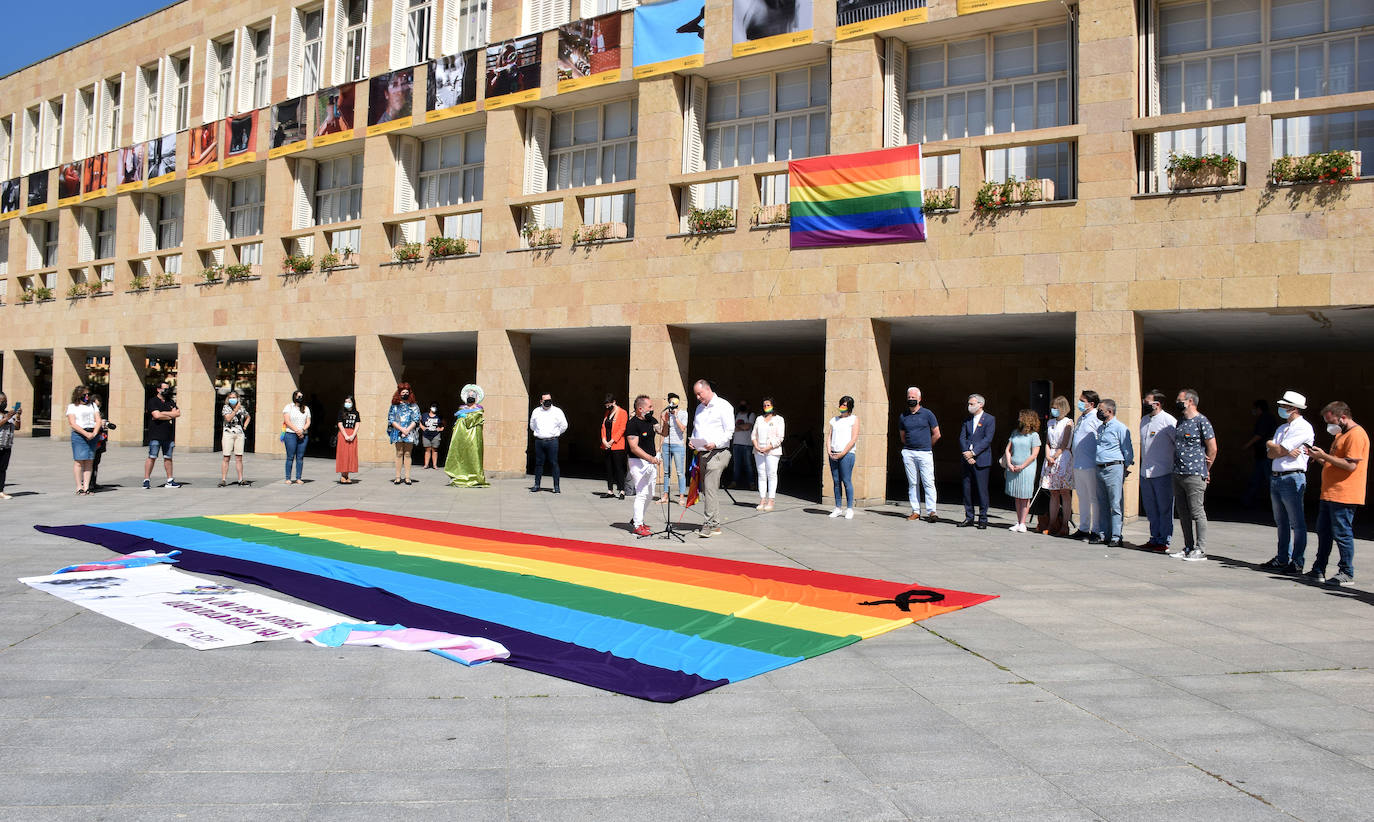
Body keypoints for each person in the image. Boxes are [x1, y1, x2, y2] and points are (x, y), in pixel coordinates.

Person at [1305, 402, 1368, 586]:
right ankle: (1319, 568)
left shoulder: (1356, 435)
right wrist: (1319, 458)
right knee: (1324, 533)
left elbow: (1350, 465)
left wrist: (1324, 456)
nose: (1328, 425)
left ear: (1342, 417)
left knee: (1342, 533)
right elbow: (1335, 464)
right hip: (1330, 493)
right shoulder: (1341, 434)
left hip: (1345, 494)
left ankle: (1346, 572)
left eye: (1330, 421)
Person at [1262, 391, 1314, 572]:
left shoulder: (1303, 427)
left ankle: (1297, 561)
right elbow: (1271, 453)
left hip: (1292, 476)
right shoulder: (1282, 428)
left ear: (1293, 408)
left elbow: (1280, 449)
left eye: (1284, 406)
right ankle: (1282, 557)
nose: (1281, 409)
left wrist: (1275, 447)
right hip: (1277, 476)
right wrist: (1273, 446)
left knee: (1296, 522)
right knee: (1281, 521)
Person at [1169, 388, 1217, 563]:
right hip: (1178, 472)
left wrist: (1206, 467)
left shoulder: (1202, 421)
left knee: (1197, 511)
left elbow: (1212, 447)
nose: (1177, 401)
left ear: (1190, 401)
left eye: (1180, 399)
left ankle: (1200, 549)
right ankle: (1188, 546)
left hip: (1195, 473)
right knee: (1183, 511)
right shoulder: (1180, 421)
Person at [690, 379, 735, 538]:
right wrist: (693, 441)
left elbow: (729, 431)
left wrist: (715, 443)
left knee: (709, 487)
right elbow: (697, 429)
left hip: (719, 452)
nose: (697, 397)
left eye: (699, 393)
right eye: (696, 394)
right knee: (708, 489)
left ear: (707, 389)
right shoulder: (699, 409)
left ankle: (708, 524)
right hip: (703, 452)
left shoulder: (724, 406)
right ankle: (715, 525)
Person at [1138, 389, 1177, 552]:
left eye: (1147, 402)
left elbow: (1178, 444)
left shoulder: (1168, 421)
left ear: (1157, 404)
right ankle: (1154, 537)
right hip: (1145, 472)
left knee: (1164, 508)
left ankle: (1164, 540)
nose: (1144, 404)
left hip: (1163, 472)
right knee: (1151, 508)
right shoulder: (1144, 420)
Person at [1093, 399, 1134, 547]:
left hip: (1114, 468)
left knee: (1115, 503)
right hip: (1099, 467)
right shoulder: (1100, 428)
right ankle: (1104, 534)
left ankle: (1116, 536)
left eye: (1101, 410)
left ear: (1109, 411)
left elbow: (1127, 449)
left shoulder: (1120, 428)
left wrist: (1125, 467)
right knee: (1102, 503)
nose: (1099, 412)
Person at [898, 386, 940, 522]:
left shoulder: (928, 414)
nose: (911, 399)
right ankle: (915, 511)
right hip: (909, 452)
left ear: (919, 399)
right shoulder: (903, 416)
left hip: (924, 453)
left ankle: (932, 511)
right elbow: (902, 436)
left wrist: (927, 445)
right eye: (909, 397)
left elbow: (937, 434)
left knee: (928, 482)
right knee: (913, 483)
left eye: (913, 397)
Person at [625, 395, 664, 537]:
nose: (652, 409)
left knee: (650, 493)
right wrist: (650, 458)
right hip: (637, 462)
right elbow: (634, 447)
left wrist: (666, 422)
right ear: (640, 409)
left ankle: (637, 518)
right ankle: (637, 525)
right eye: (650, 407)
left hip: (650, 461)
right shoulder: (632, 424)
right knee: (641, 493)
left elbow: (663, 432)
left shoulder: (651, 420)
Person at [958, 394, 995, 529]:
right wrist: (967, 455)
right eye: (969, 404)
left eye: (972, 404)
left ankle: (983, 519)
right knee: (967, 489)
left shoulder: (989, 419)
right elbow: (962, 438)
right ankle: (969, 517)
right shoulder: (967, 420)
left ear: (980, 404)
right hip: (967, 460)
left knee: (981, 490)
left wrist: (974, 453)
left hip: (981, 459)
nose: (969, 406)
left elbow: (987, 439)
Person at [1003, 409, 1042, 532]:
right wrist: (1009, 463)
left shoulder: (1034, 435)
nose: (1019, 418)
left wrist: (1022, 466)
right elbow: (1008, 449)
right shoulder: (1015, 432)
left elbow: (1034, 455)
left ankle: (1023, 523)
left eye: (1021, 416)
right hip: (1013, 466)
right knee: (1017, 495)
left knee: (1025, 495)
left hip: (1026, 468)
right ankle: (1018, 521)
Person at [1041, 395, 1075, 536]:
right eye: (1052, 407)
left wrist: (1055, 457)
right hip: (1051, 456)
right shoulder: (1050, 423)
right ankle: (1052, 522)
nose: (1053, 410)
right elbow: (1048, 442)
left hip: (1063, 457)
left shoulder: (1068, 422)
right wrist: (1048, 455)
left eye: (1055, 408)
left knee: (1064, 492)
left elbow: (1064, 442)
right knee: (1053, 491)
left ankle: (1065, 524)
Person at [1071, 390, 1102, 539]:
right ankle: (1083, 528)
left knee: (1093, 498)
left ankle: (1095, 530)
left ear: (1091, 404)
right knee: (1082, 497)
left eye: (1082, 400)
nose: (1080, 403)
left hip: (1090, 464)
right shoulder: (1081, 418)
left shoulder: (1096, 417)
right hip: (1078, 463)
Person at [445, 385, 489, 487]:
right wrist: (462, 416)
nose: (471, 396)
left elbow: (474, 419)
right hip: (461, 435)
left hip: (474, 435)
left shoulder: (479, 408)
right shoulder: (462, 408)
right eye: (469, 395)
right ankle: (458, 475)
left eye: (473, 395)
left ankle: (475, 478)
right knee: (460, 454)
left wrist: (466, 416)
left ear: (476, 397)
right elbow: (460, 421)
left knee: (474, 454)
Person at [825, 396, 860, 519]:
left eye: (845, 405)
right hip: (834, 453)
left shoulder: (854, 419)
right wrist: (829, 450)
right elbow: (829, 436)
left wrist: (843, 453)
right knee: (836, 481)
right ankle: (838, 507)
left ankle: (849, 508)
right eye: (842, 404)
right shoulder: (834, 420)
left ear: (850, 407)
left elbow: (853, 438)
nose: (843, 407)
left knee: (846, 480)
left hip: (847, 454)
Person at [143, 380, 181, 489]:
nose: (166, 390)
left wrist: (163, 414)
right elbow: (156, 415)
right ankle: (146, 480)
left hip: (168, 435)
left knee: (168, 457)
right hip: (155, 435)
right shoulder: (153, 401)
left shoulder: (170, 401)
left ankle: (170, 480)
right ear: (158, 389)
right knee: (152, 456)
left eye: (167, 388)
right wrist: (170, 415)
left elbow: (178, 413)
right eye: (164, 388)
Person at [1242, 399, 1280, 508]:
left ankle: (1275, 503)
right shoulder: (1267, 418)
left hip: (1265, 454)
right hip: (1262, 454)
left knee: (1265, 479)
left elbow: (1259, 435)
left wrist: (1247, 445)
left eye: (1254, 409)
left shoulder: (1265, 419)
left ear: (1258, 408)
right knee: (1258, 478)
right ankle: (1248, 500)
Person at [529, 392, 568, 493]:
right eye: (545, 401)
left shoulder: (557, 411)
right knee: (538, 463)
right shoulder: (536, 411)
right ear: (541, 401)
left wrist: (556, 433)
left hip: (552, 441)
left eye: (549, 400)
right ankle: (537, 485)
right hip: (539, 441)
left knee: (554, 463)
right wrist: (538, 432)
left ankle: (556, 486)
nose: (548, 402)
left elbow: (564, 425)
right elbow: (532, 425)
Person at [66, 385, 102, 495]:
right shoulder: (72, 406)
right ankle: (79, 487)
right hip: (79, 434)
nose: (87, 397)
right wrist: (85, 433)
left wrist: (94, 433)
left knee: (89, 460)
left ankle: (87, 487)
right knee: (79, 461)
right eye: (84, 395)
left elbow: (98, 420)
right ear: (78, 395)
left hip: (92, 433)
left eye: (88, 394)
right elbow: (72, 423)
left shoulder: (92, 406)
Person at [752, 397, 785, 512]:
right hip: (759, 450)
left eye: (768, 405)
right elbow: (753, 435)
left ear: (773, 406)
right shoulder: (759, 419)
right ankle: (762, 499)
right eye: (764, 405)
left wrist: (768, 447)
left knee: (771, 474)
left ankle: (771, 500)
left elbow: (780, 437)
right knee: (761, 474)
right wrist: (756, 446)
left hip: (772, 451)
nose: (766, 407)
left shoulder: (779, 419)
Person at [387, 383, 420, 485]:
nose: (405, 394)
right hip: (398, 432)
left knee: (407, 454)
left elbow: (416, 418)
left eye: (407, 392)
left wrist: (407, 430)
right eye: (403, 392)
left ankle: (407, 477)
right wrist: (401, 429)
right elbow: (391, 419)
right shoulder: (395, 406)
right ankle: (397, 477)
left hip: (409, 432)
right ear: (399, 393)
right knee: (399, 453)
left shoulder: (413, 406)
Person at [658, 392, 688, 504]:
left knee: (680, 472)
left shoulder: (683, 413)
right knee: (666, 472)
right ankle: (665, 496)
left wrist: (675, 416)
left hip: (678, 445)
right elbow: (664, 433)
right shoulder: (666, 414)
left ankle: (681, 497)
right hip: (666, 444)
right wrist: (665, 421)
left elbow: (682, 429)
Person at [219, 390, 251, 487]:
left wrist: (244, 426)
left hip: (239, 433)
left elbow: (248, 416)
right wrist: (235, 410)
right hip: (228, 433)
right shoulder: (226, 407)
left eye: (234, 397)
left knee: (239, 457)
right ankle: (223, 479)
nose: (232, 399)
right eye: (231, 397)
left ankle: (240, 479)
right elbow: (228, 418)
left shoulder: (242, 408)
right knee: (226, 456)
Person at [600, 394, 628, 499]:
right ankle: (610, 490)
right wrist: (604, 440)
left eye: (609, 405)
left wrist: (612, 441)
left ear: (614, 402)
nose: (608, 407)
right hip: (606, 445)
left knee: (618, 468)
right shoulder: (607, 413)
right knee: (609, 468)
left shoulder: (622, 412)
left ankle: (621, 490)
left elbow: (622, 428)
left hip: (617, 445)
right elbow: (603, 427)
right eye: (606, 406)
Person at [282, 390, 311, 484]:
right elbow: (287, 421)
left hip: (303, 435)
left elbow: (308, 422)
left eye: (301, 396)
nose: (300, 398)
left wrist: (302, 430)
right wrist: (296, 430)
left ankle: (299, 477)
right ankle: (288, 478)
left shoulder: (306, 409)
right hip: (290, 434)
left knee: (300, 457)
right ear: (294, 397)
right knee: (290, 457)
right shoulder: (288, 407)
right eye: (298, 396)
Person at [89, 395, 116, 491]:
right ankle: (87, 483)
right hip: (91, 439)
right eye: (96, 405)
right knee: (89, 462)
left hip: (100, 440)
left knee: (96, 462)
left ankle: (93, 482)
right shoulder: (88, 412)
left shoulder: (99, 413)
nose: (98, 407)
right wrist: (99, 423)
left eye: (99, 406)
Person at [731, 400, 757, 490]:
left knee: (748, 465)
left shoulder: (751, 415)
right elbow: (732, 428)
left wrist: (738, 427)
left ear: (748, 406)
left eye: (744, 405)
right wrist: (742, 427)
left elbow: (748, 427)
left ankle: (751, 483)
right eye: (740, 404)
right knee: (736, 465)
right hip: (736, 443)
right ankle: (734, 482)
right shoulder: (736, 415)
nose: (742, 406)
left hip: (747, 444)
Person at [335, 395, 360, 484]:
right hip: (343, 434)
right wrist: (345, 435)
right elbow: (340, 424)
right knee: (343, 454)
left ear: (353, 403)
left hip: (352, 434)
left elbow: (357, 424)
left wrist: (353, 435)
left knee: (350, 455)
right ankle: (343, 475)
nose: (347, 403)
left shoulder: (356, 413)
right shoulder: (341, 412)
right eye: (346, 402)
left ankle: (347, 475)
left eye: (349, 402)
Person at [0, 392, 19, 499]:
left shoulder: (8, 413)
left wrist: (18, 416)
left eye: (5, 401)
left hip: (7, 445)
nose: (4, 403)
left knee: (3, 469)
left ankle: (0, 491)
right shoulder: (7, 415)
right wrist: (6, 418)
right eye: (2, 401)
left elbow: (17, 427)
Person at [419, 403, 445, 469]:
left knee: (435, 449)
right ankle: (426, 464)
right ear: (430, 407)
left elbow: (444, 423)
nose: (434, 408)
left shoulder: (439, 416)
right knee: (427, 449)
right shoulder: (424, 415)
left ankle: (434, 465)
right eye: (433, 407)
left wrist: (441, 428)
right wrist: (422, 427)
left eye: (436, 407)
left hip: (435, 435)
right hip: (426, 434)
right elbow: (418, 421)